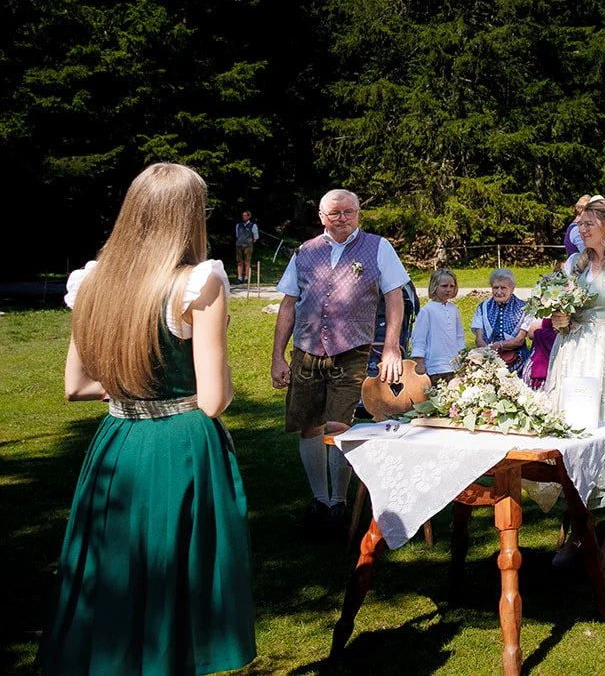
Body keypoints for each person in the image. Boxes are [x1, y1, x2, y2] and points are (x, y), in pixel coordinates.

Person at [43, 163, 256, 675]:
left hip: (116, 443)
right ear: (188, 217)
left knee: (115, 568)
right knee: (172, 575)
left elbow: (76, 386)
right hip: (179, 448)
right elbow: (213, 399)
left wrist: (134, 388)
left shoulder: (93, 279)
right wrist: (219, 337)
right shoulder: (200, 281)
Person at [271, 189, 407, 530]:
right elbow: (288, 304)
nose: (342, 217)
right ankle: (319, 498)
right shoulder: (305, 251)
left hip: (352, 350)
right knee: (309, 425)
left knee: (339, 425)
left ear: (359, 213)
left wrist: (392, 346)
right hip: (306, 350)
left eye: (349, 211)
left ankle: (338, 502)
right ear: (321, 216)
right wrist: (277, 356)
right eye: (335, 213)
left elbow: (395, 298)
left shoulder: (379, 247)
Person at [546, 197, 605, 571]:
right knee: (573, 441)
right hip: (574, 354)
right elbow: (558, 310)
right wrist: (558, 317)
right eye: (579, 225)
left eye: (588, 225)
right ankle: (576, 531)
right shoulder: (574, 264)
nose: (580, 231)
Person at [471, 268, 531, 374]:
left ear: (512, 289)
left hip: (517, 357)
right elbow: (479, 339)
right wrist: (489, 355)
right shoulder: (483, 308)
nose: (498, 292)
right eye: (495, 287)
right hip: (488, 356)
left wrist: (500, 345)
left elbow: (519, 340)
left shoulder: (524, 308)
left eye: (503, 288)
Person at [412, 268, 466, 383]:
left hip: (453, 364)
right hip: (434, 366)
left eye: (452, 286)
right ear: (434, 287)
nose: (448, 290)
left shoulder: (453, 309)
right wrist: (419, 362)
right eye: (444, 286)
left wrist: (462, 354)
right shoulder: (427, 311)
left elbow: (459, 334)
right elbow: (419, 338)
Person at [234, 208, 259, 284]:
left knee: (247, 262)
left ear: (248, 217)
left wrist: (250, 243)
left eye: (245, 216)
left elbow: (256, 237)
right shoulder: (238, 225)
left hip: (248, 245)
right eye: (243, 216)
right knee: (239, 262)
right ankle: (239, 277)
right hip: (239, 245)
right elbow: (237, 235)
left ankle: (247, 277)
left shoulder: (253, 225)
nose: (243, 217)